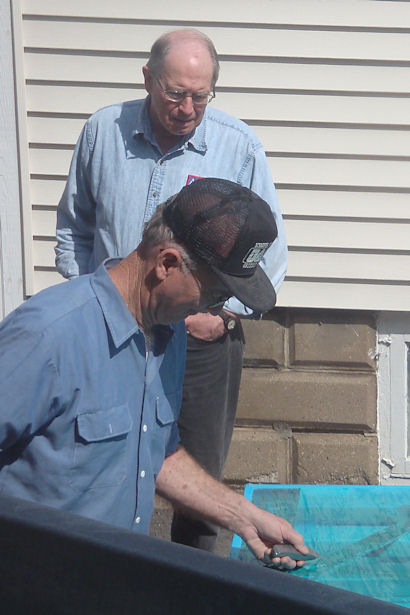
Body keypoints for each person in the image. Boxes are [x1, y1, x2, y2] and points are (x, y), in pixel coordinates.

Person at [55, 28, 288, 551]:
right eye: (175, 93)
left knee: (199, 484)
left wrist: (220, 314)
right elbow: (75, 228)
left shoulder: (238, 145)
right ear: (148, 79)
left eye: (200, 96)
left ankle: (191, 591)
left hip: (199, 341)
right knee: (101, 465)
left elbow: (267, 253)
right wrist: (89, 304)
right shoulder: (102, 131)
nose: (187, 107)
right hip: (111, 334)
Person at [0, 179, 306, 570]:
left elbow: (157, 454)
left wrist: (242, 517)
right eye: (213, 296)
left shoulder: (168, 332)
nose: (214, 310)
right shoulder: (48, 336)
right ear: (167, 264)